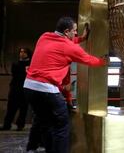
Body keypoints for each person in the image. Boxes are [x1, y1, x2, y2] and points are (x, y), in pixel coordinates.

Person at [24, 16, 107, 153]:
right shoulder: (69, 47)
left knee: (45, 123)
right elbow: (88, 59)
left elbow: (66, 42)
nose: (76, 33)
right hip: (47, 90)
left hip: (29, 88)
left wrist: (82, 38)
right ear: (67, 31)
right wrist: (103, 62)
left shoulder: (44, 36)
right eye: (74, 31)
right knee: (61, 127)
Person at [1, 48, 32, 131]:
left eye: (24, 52)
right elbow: (15, 74)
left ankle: (20, 125)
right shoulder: (16, 64)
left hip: (25, 88)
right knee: (11, 107)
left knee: (23, 108)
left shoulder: (30, 64)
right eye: (21, 52)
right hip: (15, 88)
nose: (22, 54)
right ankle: (7, 124)